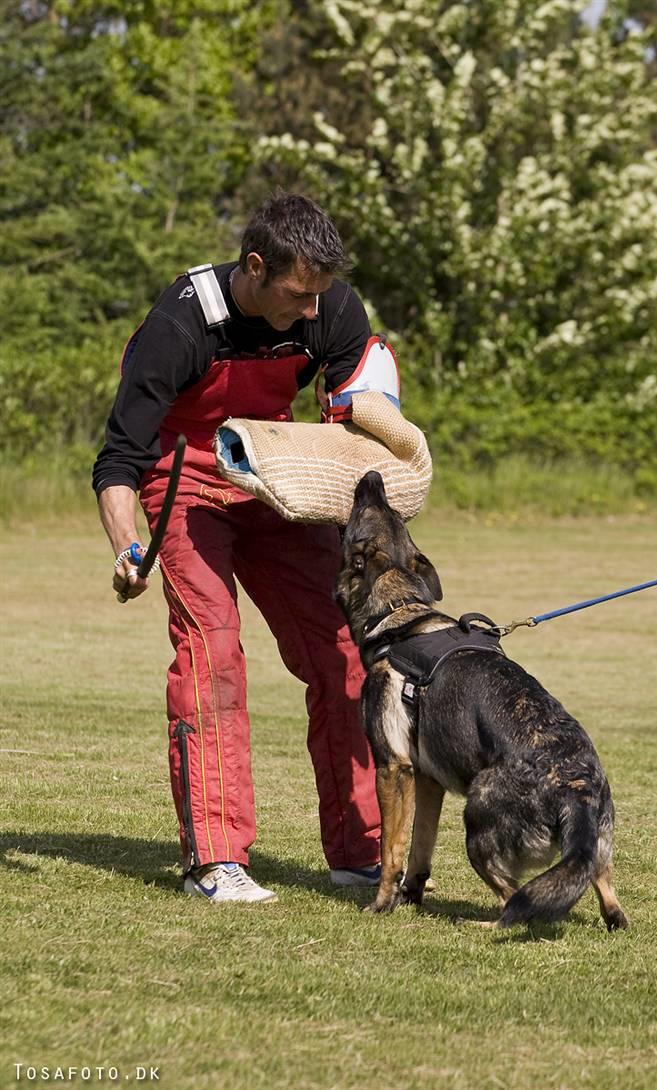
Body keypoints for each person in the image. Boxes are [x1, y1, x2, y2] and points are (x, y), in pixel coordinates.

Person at [93, 193, 388, 904]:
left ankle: (363, 853)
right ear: (255, 267)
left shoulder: (334, 308)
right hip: (184, 480)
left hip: (276, 472)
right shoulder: (180, 322)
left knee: (343, 650)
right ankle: (214, 861)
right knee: (212, 650)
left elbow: (362, 418)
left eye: (321, 294)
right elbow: (119, 458)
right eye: (298, 294)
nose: (313, 312)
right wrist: (129, 546)